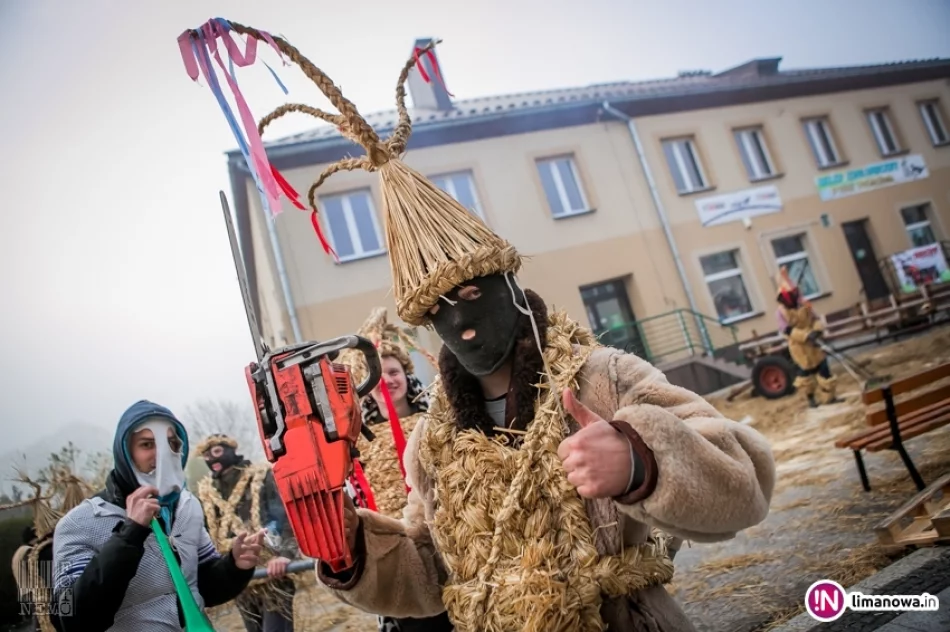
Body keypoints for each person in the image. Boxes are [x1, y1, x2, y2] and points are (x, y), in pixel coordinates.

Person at [222, 27, 775, 632]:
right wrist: (348, 546)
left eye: (469, 294)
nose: (457, 325)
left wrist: (640, 458)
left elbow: (744, 483)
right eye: (436, 311)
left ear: (509, 284)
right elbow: (431, 573)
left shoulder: (602, 379)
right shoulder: (433, 441)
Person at [51, 400, 264, 631]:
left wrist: (234, 566)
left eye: (172, 443)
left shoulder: (187, 506)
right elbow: (71, 620)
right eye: (147, 444)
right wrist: (130, 534)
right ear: (125, 452)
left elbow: (203, 587)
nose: (162, 453)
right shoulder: (79, 523)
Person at [339, 308, 454, 632]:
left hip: (442, 547)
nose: (387, 381)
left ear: (406, 374)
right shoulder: (360, 438)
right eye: (379, 376)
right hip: (394, 556)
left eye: (394, 372)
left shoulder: (433, 422)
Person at [196, 433, 299, 632]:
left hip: (272, 573)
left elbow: (285, 517)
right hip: (239, 581)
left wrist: (285, 555)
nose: (212, 459)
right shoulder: (206, 492)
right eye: (207, 456)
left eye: (217, 451)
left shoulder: (261, 475)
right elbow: (206, 535)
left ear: (231, 450)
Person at [775, 267, 842, 408]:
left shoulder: (805, 304)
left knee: (824, 369)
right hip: (799, 346)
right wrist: (806, 335)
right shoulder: (781, 312)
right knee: (806, 375)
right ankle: (811, 399)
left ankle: (830, 397)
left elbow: (815, 318)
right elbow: (787, 330)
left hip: (814, 344)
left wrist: (817, 330)